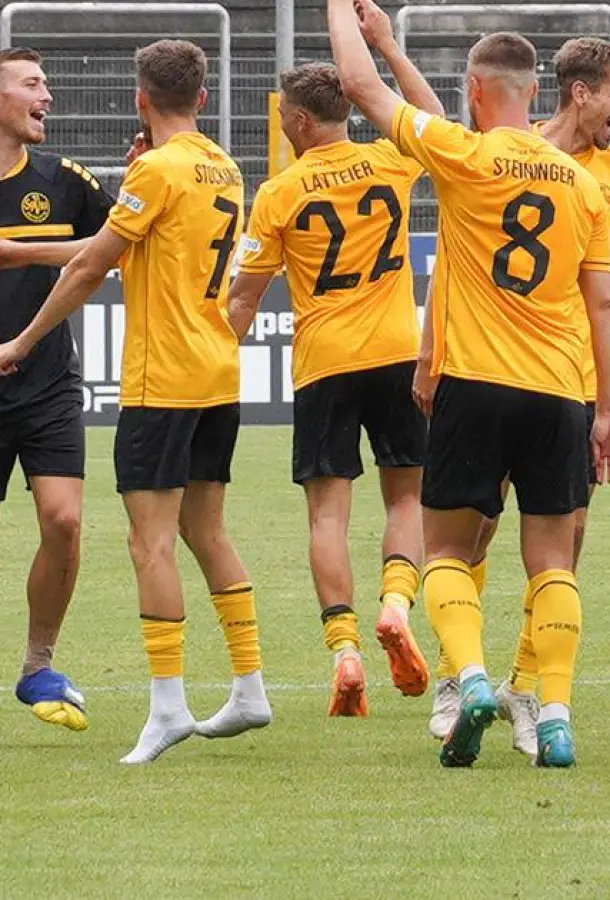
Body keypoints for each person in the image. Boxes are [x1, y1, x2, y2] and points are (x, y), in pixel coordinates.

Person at [327, 0, 610, 769]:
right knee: (554, 563)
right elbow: (603, 303)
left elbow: (360, 89)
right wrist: (608, 407)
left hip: (477, 382)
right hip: (561, 389)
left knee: (450, 555)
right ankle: (554, 713)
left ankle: (469, 680)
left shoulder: (464, 156)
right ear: (536, 92)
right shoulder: (585, 186)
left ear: (475, 89)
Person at [0, 40, 269, 764]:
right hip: (217, 372)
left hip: (164, 380)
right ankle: (249, 687)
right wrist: (26, 252)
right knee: (207, 532)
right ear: (204, 99)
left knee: (147, 541)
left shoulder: (153, 169)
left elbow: (94, 262)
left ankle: (168, 706)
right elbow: (131, 248)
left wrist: (21, 341)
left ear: (141, 99)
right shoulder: (223, 163)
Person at [458, 36, 610, 764]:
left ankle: (522, 687)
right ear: (580, 92)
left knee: (563, 543)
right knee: (476, 532)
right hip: (493, 370)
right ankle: (464, 680)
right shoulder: (502, 150)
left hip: (575, 386)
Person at [228, 53, 432, 718]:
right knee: (408, 499)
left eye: (287, 115)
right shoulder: (392, 162)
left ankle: (345, 650)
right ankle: (397, 605)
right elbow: (431, 120)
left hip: (324, 363)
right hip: (399, 353)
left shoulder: (280, 193)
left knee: (326, 515)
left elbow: (245, 298)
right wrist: (391, 57)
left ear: (300, 119)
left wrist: (208, 353)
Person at [0, 47, 111, 733]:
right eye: (32, 83)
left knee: (65, 521)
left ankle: (38, 663)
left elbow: (122, 242)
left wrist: (20, 251)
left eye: (47, 83)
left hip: (45, 382)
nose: (49, 94)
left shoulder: (63, 181)